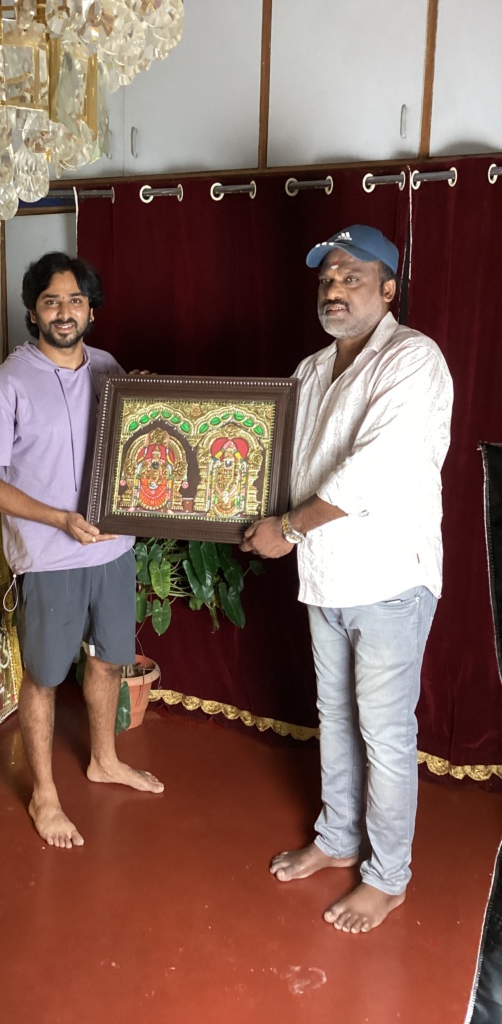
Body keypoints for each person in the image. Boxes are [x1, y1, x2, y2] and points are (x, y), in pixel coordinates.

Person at [241, 225, 453, 933]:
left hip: (389, 577)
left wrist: (288, 528)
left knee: (384, 734)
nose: (334, 289)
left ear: (388, 289)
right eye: (327, 278)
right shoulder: (310, 370)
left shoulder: (413, 358)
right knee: (333, 716)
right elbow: (277, 457)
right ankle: (337, 839)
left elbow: (372, 471)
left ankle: (387, 878)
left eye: (351, 276)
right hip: (326, 577)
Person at [0, 251, 164, 849]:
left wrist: (149, 400)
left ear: (90, 309)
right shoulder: (4, 386)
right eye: (51, 301)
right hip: (50, 557)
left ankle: (104, 759)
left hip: (113, 549)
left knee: (108, 661)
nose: (65, 311)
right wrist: (59, 520)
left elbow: (132, 444)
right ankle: (44, 793)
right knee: (46, 675)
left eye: (76, 300)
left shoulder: (108, 369)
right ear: (33, 312)